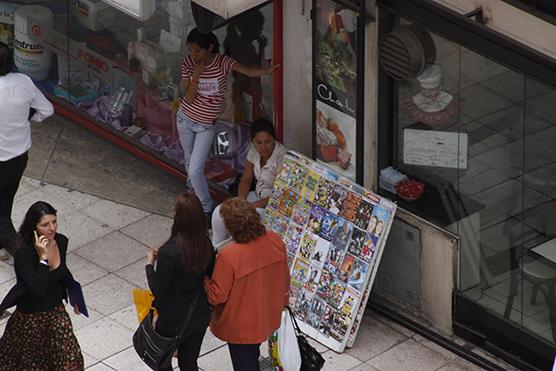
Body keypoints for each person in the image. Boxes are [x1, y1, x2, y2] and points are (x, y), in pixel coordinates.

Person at [177, 28, 278, 223]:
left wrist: (266, 71)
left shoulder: (222, 62)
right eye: (190, 50)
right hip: (185, 120)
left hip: (206, 125)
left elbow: (246, 70)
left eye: (198, 51)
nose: (193, 55)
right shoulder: (189, 64)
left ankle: (206, 208)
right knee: (190, 162)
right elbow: (187, 99)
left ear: (210, 48)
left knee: (196, 168)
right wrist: (196, 76)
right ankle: (195, 196)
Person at [204, 198, 289, 371]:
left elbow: (217, 295)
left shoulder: (229, 256)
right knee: (253, 354)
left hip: (240, 325)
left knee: (244, 363)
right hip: (266, 313)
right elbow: (285, 278)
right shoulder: (274, 240)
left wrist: (203, 279)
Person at [0, 201, 84, 369]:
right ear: (34, 227)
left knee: (71, 361)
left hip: (55, 311)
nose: (52, 228)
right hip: (30, 318)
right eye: (45, 224)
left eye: (54, 221)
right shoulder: (24, 253)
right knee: (28, 364)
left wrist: (76, 297)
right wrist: (44, 259)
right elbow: (37, 288)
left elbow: (63, 271)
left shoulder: (60, 241)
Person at [145, 192, 215, 371]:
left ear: (179, 218)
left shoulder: (169, 252)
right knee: (189, 362)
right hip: (197, 314)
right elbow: (209, 273)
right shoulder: (206, 244)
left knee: (161, 361)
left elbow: (159, 290)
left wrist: (149, 266)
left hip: (172, 318)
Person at [0, 42, 54, 259]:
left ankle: (22, 253)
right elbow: (47, 110)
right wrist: (27, 118)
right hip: (19, 156)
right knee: (5, 201)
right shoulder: (24, 82)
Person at [211, 118, 287, 246]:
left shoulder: (283, 156)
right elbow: (246, 179)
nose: (263, 147)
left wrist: (250, 207)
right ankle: (217, 248)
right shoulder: (253, 150)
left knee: (252, 221)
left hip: (272, 204)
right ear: (253, 141)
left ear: (274, 139)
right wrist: (241, 202)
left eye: (268, 142)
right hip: (256, 196)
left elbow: (278, 195)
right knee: (219, 213)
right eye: (259, 142)